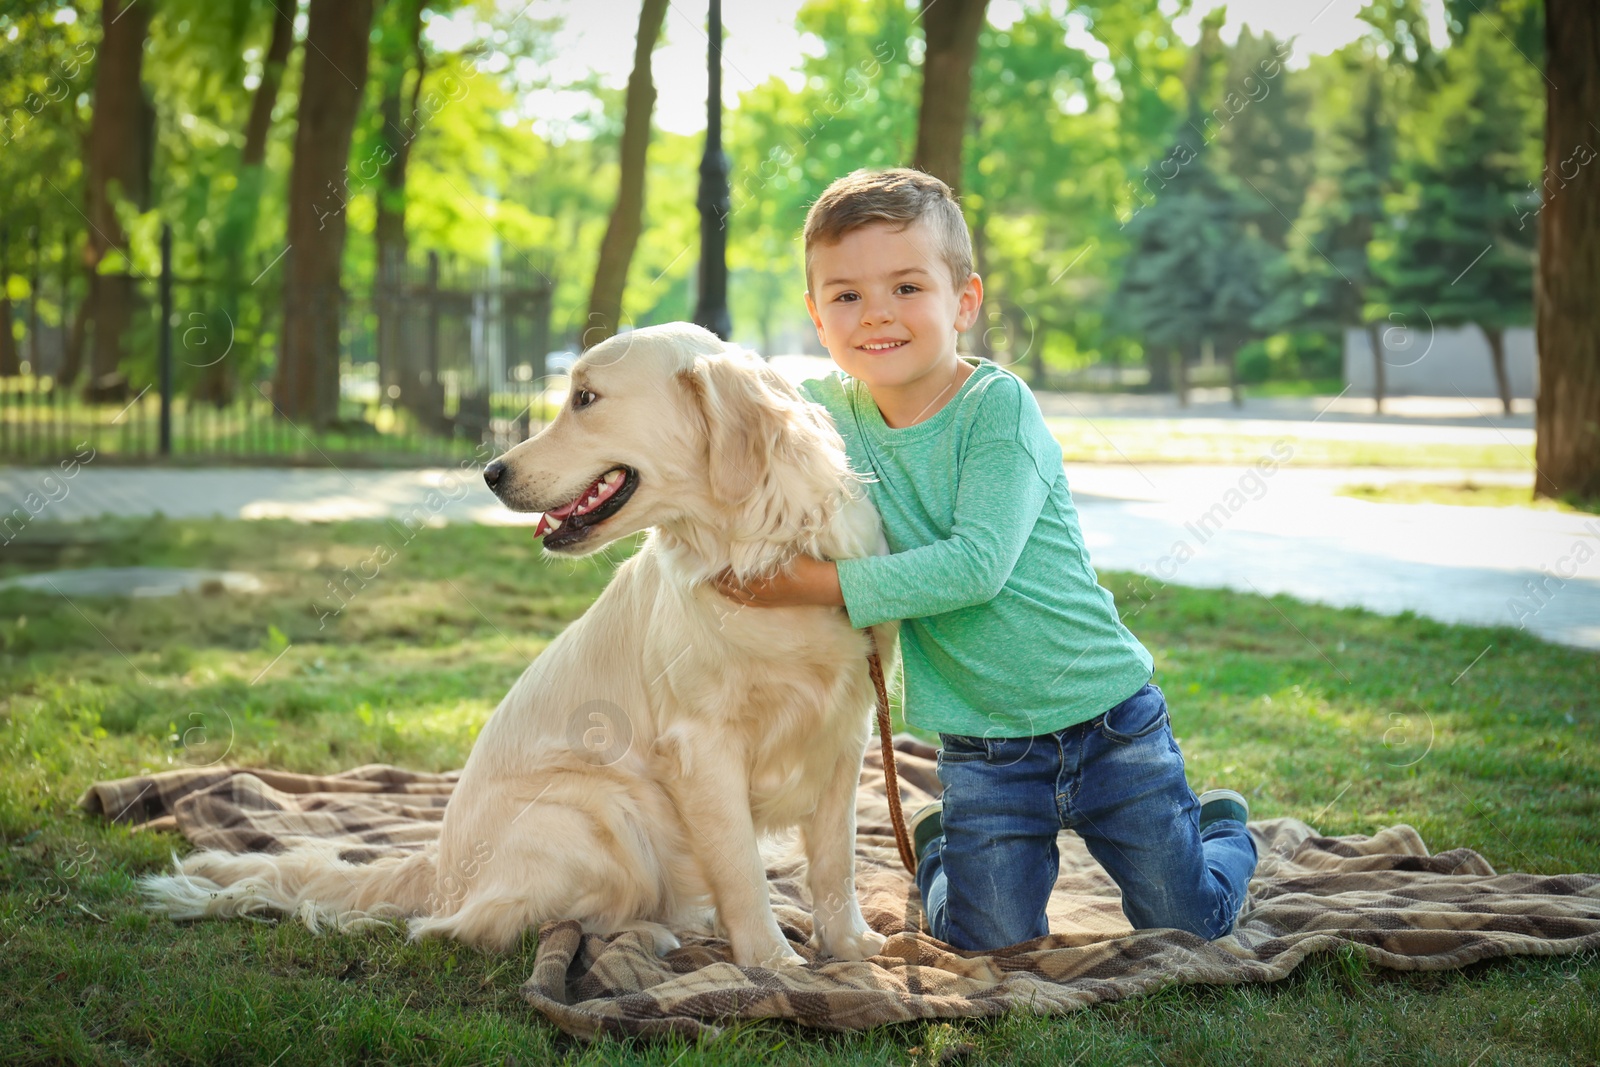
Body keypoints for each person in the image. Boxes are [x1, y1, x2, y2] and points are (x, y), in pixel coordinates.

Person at [712, 167, 1257, 952]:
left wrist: (814, 584)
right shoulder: (828, 412)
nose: (876, 316)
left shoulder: (997, 408)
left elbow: (975, 568)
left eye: (906, 287)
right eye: (846, 296)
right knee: (986, 942)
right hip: (985, 748)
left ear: (963, 301)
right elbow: (739, 412)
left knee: (1187, 920)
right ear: (815, 315)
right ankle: (943, 850)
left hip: (1108, 721)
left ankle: (1223, 832)